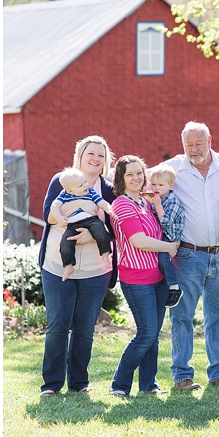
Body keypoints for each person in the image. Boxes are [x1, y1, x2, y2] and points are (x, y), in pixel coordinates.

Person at [160, 121, 219, 391]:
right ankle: (182, 375)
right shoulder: (173, 168)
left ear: (210, 139)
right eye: (188, 145)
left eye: (198, 143)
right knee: (182, 316)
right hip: (187, 255)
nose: (194, 150)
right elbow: (138, 180)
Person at [38, 136, 118, 396]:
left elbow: (118, 225)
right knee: (58, 325)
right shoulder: (62, 181)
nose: (96, 159)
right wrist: (66, 219)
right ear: (80, 156)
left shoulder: (108, 188)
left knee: (84, 328)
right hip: (58, 265)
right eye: (90, 154)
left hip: (96, 270)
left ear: (106, 161)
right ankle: (51, 384)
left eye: (101, 155)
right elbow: (47, 214)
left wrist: (94, 234)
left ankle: (79, 382)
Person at [108, 155, 180, 396]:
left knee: (153, 335)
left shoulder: (146, 204)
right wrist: (169, 248)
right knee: (146, 332)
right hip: (136, 279)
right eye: (130, 174)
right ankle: (119, 384)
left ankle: (148, 384)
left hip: (158, 278)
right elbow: (138, 240)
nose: (136, 177)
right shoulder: (121, 204)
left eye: (139, 172)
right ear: (121, 179)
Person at [52, 167, 117, 279]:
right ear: (69, 191)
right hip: (72, 225)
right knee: (65, 243)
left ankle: (105, 255)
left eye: (85, 182)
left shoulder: (90, 191)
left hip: (91, 220)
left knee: (101, 231)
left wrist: (109, 209)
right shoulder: (64, 195)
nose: (86, 186)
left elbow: (101, 202)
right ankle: (68, 266)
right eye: (80, 185)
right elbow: (54, 206)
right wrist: (59, 217)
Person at [146, 164, 185, 308]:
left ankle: (174, 287)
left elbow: (165, 222)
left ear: (171, 185)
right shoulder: (159, 199)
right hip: (161, 235)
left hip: (170, 236)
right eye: (154, 184)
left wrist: (157, 205)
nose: (156, 188)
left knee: (163, 258)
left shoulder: (173, 201)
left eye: (161, 185)